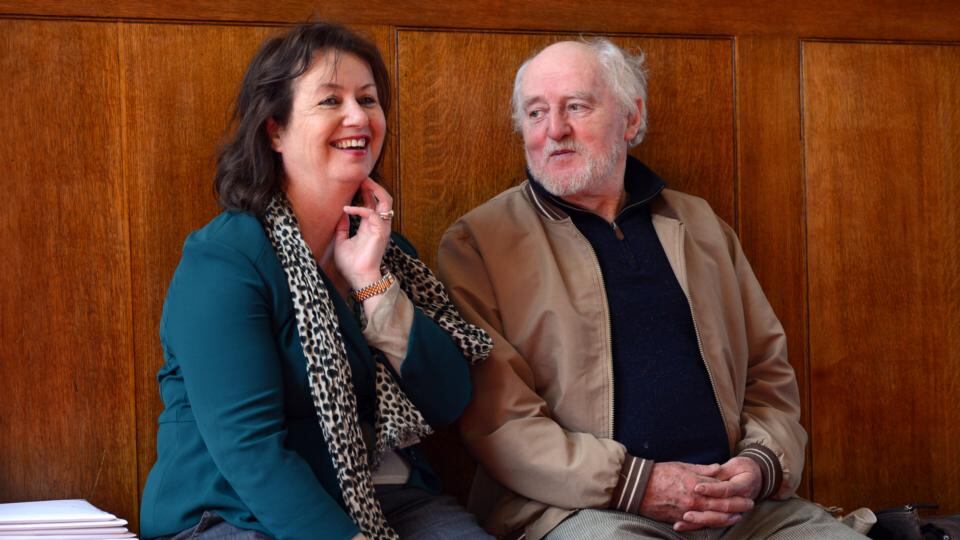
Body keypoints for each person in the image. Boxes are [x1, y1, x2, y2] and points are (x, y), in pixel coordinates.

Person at [437, 39, 865, 540]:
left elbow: (767, 372)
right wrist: (638, 484)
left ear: (631, 119)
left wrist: (758, 465)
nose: (554, 130)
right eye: (535, 113)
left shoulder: (700, 225)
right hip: (579, 512)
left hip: (739, 505)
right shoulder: (479, 243)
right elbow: (500, 423)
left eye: (576, 106)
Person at [140, 22, 493, 540]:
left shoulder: (390, 253)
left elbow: (447, 400)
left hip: (389, 500)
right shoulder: (225, 260)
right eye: (331, 101)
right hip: (235, 513)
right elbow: (250, 450)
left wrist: (372, 284)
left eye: (368, 99)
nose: (358, 116)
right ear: (275, 130)